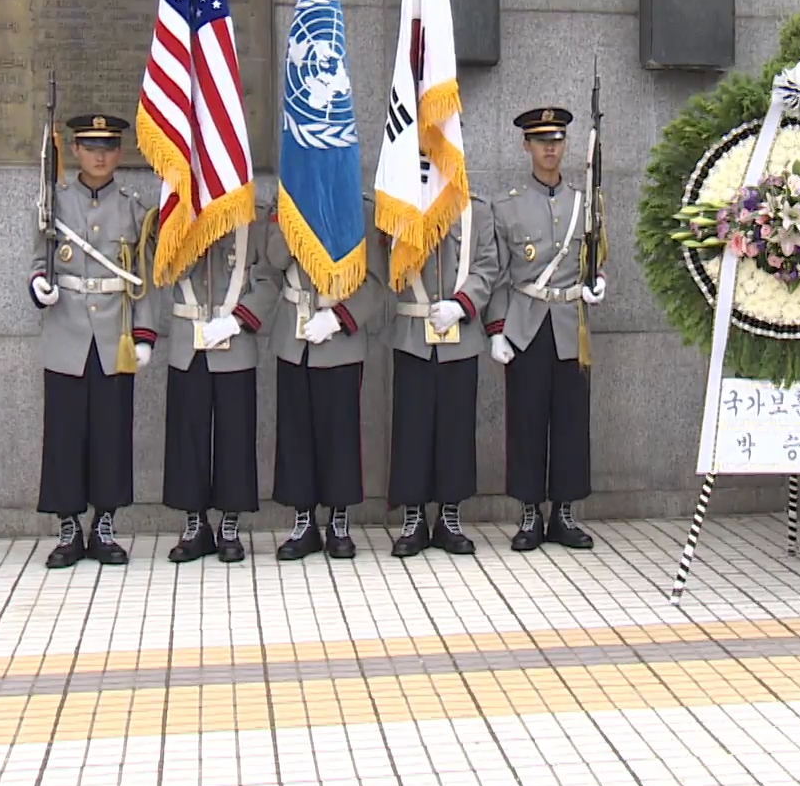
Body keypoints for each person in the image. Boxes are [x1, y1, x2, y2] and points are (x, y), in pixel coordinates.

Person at [28, 114, 161, 569]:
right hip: (66, 332)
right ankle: (68, 527)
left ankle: (104, 525)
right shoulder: (56, 203)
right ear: (76, 151)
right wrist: (39, 285)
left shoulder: (133, 208)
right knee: (64, 435)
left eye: (108, 147)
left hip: (113, 336)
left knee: (111, 433)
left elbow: (143, 278)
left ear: (119, 153)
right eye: (90, 148)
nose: (100, 156)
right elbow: (38, 259)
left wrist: (144, 334)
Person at [486, 107, 607, 551]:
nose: (550, 148)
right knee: (527, 421)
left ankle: (565, 513)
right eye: (541, 141)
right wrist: (496, 329)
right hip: (526, 324)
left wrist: (598, 281)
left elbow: (596, 256)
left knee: (572, 422)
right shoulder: (507, 205)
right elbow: (498, 274)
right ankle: (529, 513)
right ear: (527, 146)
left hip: (570, 324)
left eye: (556, 140)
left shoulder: (585, 202)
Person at [258, 198, 381, 561]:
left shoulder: (357, 206)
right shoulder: (287, 203)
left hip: (339, 335)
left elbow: (376, 281)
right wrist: (296, 216)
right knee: (295, 432)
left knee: (339, 433)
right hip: (294, 335)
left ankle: (339, 520)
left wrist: (339, 317)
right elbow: (276, 259)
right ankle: (303, 520)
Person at [379, 197, 499, 557]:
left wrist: (462, 304)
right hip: (413, 333)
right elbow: (385, 259)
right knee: (411, 429)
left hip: (459, 333)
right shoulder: (400, 201)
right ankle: (413, 517)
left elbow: (487, 265)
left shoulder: (476, 209)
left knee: (456, 429)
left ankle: (450, 517)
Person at [159, 201, 278, 563]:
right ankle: (194, 524)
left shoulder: (252, 218)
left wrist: (237, 320)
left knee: (235, 435)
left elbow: (268, 280)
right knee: (187, 436)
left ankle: (230, 524)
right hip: (188, 342)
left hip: (234, 340)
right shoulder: (177, 209)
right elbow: (162, 265)